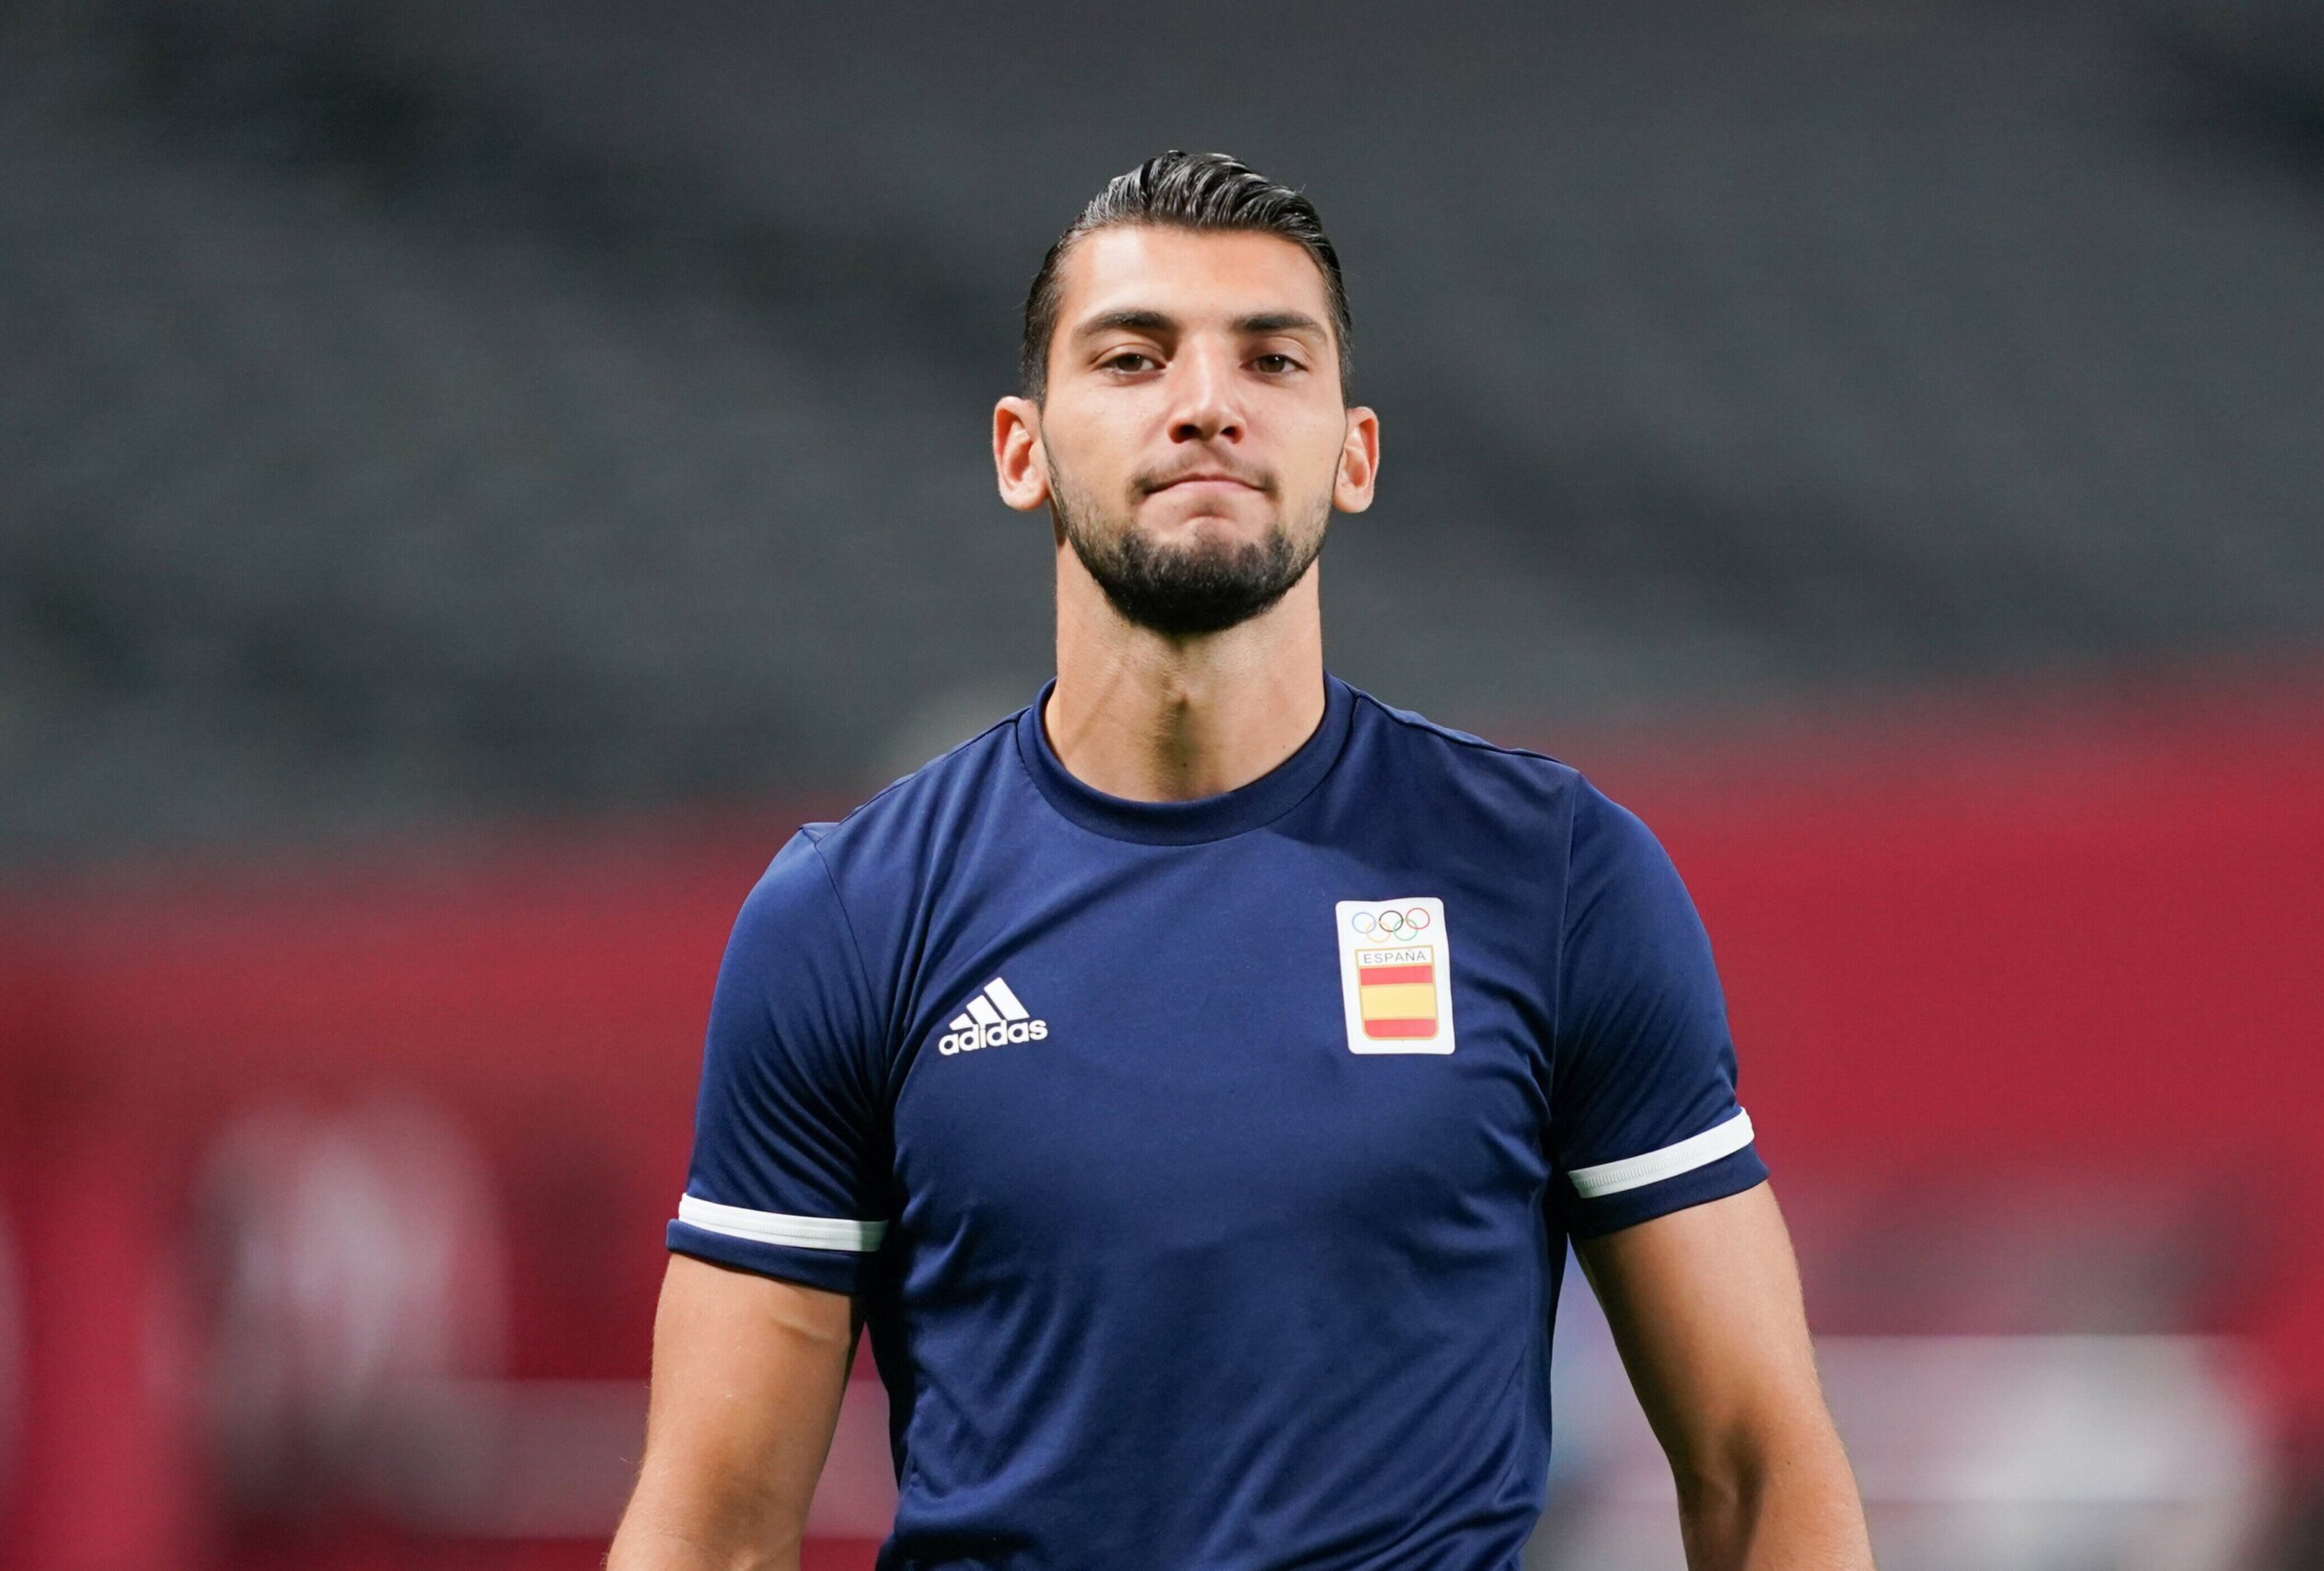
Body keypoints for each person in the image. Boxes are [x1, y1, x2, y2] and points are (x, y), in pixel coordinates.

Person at [607, 151, 1872, 1571]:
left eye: (1273, 360)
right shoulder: (851, 917)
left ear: (1355, 453)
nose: (1207, 401)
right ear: (1022, 451)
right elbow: (715, 1527)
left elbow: (1760, 1468)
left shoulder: (1558, 879)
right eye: (1132, 357)